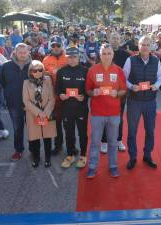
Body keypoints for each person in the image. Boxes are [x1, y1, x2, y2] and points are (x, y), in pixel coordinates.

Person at [85, 43, 127, 178]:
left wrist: (117, 93)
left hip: (114, 113)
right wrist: (93, 92)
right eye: (104, 53)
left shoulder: (118, 70)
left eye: (109, 53)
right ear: (100, 55)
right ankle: (92, 167)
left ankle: (113, 166)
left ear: (113, 54)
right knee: (95, 142)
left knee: (113, 142)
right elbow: (87, 90)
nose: (106, 56)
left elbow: (123, 90)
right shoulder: (92, 70)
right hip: (97, 113)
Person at [124, 36, 161, 170]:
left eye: (147, 44)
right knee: (132, 131)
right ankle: (132, 157)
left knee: (150, 131)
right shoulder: (130, 60)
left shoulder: (156, 60)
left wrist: (157, 85)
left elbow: (160, 76)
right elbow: (123, 78)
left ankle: (147, 155)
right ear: (138, 46)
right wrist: (131, 86)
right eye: (143, 44)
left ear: (151, 46)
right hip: (134, 101)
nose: (145, 47)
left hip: (150, 102)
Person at [57, 47, 89, 168]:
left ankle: (83, 155)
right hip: (66, 108)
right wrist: (61, 95)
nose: (72, 59)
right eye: (69, 57)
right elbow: (58, 88)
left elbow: (89, 89)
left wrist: (84, 96)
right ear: (66, 58)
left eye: (74, 57)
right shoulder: (61, 71)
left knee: (82, 133)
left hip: (81, 108)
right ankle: (70, 154)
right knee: (69, 133)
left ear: (78, 57)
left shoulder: (85, 71)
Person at [0, 43, 32, 161]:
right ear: (15, 52)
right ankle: (18, 150)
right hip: (14, 103)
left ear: (28, 52)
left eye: (25, 52)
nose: (23, 55)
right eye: (20, 52)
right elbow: (2, 82)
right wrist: (9, 95)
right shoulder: (6, 66)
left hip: (31, 103)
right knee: (17, 128)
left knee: (32, 127)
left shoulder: (33, 66)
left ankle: (34, 149)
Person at [100, 32, 130, 154]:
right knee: (104, 117)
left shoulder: (125, 55)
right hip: (105, 91)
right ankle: (104, 141)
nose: (115, 40)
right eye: (113, 38)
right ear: (109, 39)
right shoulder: (103, 52)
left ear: (120, 39)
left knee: (119, 118)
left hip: (119, 92)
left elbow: (128, 73)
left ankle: (118, 140)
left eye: (117, 38)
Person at [23, 60, 56, 168]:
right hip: (32, 114)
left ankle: (48, 158)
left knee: (47, 137)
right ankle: (36, 158)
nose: (37, 72)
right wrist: (38, 112)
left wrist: (45, 112)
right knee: (35, 138)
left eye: (40, 70)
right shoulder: (26, 83)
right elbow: (26, 100)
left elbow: (52, 98)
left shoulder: (47, 80)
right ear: (30, 71)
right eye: (34, 70)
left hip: (47, 113)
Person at [43, 40, 67, 156]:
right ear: (50, 47)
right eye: (53, 46)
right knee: (56, 123)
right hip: (53, 96)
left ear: (62, 46)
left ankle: (70, 146)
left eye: (58, 45)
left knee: (68, 123)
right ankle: (58, 145)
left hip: (67, 95)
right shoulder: (46, 60)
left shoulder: (67, 58)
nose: (56, 47)